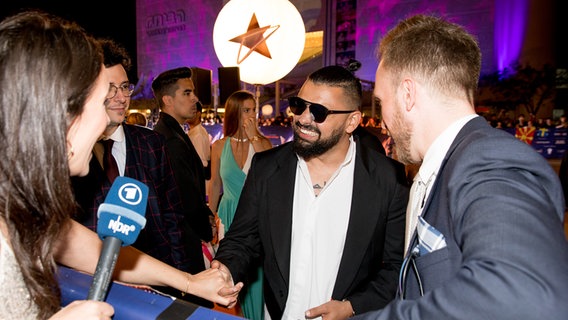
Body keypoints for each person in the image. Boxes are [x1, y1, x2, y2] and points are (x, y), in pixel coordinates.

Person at [0, 10, 241, 320]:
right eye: (101, 99)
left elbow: (91, 250)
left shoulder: (26, 208)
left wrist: (190, 282)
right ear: (62, 111)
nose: (109, 116)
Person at [352, 14, 568, 320]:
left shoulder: (491, 159)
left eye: (381, 101)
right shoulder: (448, 163)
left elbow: (523, 295)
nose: (382, 120)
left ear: (408, 94)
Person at [213, 65, 409, 320]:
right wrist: (225, 269)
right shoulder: (267, 168)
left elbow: (396, 268)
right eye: (298, 105)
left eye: (318, 111)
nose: (303, 118)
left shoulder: (387, 179)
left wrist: (351, 306)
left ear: (352, 121)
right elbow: (242, 239)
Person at [71, 39, 203, 303]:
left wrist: (181, 279)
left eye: (124, 87)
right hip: (95, 290)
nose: (122, 97)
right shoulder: (70, 155)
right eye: (110, 88)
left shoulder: (151, 143)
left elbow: (172, 217)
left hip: (160, 283)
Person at [151, 67, 216, 305]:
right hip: (182, 244)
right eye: (187, 93)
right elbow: (186, 200)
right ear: (168, 100)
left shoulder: (173, 133)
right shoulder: (170, 139)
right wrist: (206, 230)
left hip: (181, 239)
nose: (195, 99)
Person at [208, 90, 272, 320]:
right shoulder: (219, 146)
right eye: (246, 110)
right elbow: (214, 184)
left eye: (253, 110)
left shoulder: (264, 144)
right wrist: (211, 216)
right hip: (227, 213)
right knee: (230, 271)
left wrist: (255, 136)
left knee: (255, 274)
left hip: (256, 216)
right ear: (235, 113)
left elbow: (273, 175)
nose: (252, 115)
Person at [187, 101, 211, 179]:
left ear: (198, 114)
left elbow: (202, 163)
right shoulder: (196, 131)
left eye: (192, 111)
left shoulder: (198, 134)